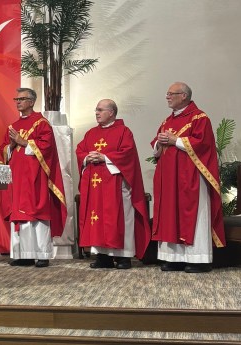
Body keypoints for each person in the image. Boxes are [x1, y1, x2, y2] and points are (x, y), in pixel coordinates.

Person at [151, 82, 225, 273]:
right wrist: (159, 144)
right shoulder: (167, 121)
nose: (167, 97)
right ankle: (173, 258)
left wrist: (177, 141)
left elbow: (204, 144)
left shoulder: (199, 117)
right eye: (167, 93)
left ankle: (198, 259)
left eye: (171, 93)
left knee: (192, 214)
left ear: (183, 95)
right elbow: (157, 147)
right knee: (170, 215)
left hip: (190, 177)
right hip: (168, 179)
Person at [76, 99, 151, 269]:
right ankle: (103, 256)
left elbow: (128, 153)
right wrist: (88, 157)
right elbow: (80, 150)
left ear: (111, 113)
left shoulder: (124, 132)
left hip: (116, 185)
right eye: (96, 110)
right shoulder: (90, 133)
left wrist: (105, 157)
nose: (97, 113)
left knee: (120, 217)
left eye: (100, 110)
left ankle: (123, 256)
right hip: (96, 186)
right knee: (98, 218)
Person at [1, 88, 67, 267]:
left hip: (35, 176)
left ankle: (42, 254)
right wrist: (11, 145)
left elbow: (47, 147)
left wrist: (24, 142)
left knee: (37, 212)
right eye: (16, 99)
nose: (18, 102)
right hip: (17, 176)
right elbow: (3, 150)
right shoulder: (13, 126)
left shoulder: (41, 123)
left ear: (31, 102)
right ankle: (23, 255)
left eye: (22, 99)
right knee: (20, 214)